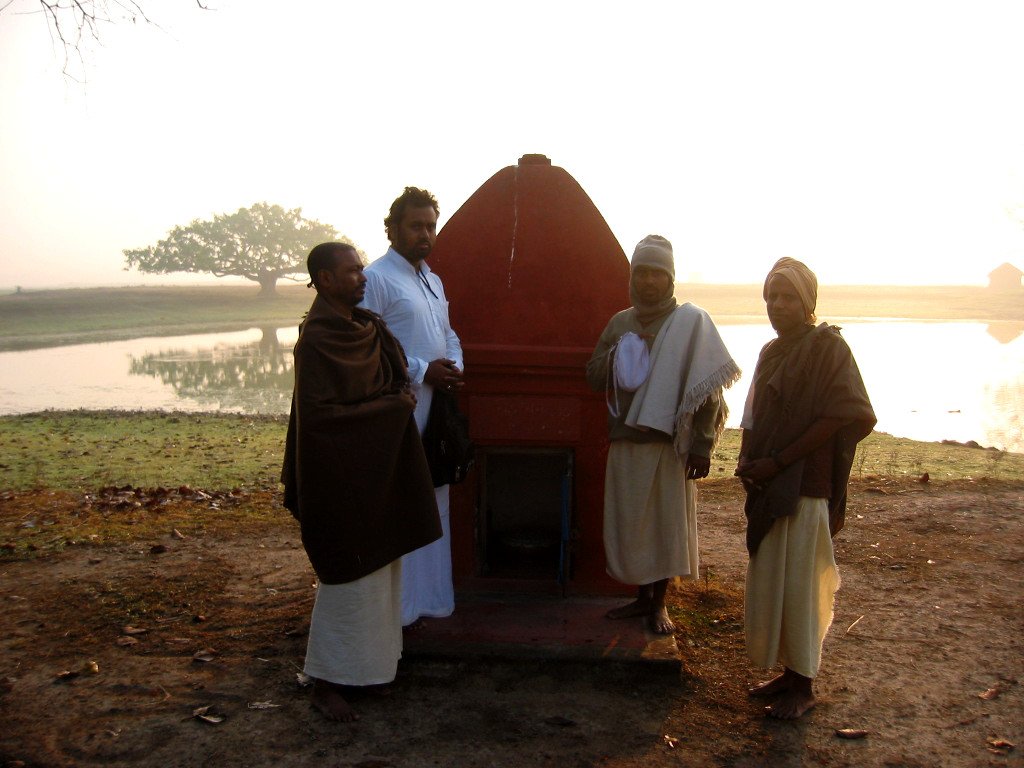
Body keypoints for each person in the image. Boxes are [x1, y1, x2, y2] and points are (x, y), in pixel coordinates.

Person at [281, 242, 442, 722]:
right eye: (351, 272)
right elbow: (321, 416)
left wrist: (395, 399)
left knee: (380, 570)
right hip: (339, 476)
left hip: (379, 467)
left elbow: (396, 380)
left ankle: (369, 673)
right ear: (325, 280)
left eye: (360, 270)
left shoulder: (367, 327)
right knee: (347, 575)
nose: (362, 277)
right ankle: (326, 681)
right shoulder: (318, 339)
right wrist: (394, 407)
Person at [736, 257, 875, 720]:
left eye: (788, 296)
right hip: (772, 481)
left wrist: (780, 460)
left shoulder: (828, 347)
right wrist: (750, 463)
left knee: (801, 581)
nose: (777, 305)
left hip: (807, 483)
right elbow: (754, 414)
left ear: (809, 302)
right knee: (775, 576)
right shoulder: (770, 352)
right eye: (772, 296)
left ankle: (805, 683)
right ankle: (789, 673)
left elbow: (841, 414)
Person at [586, 235, 740, 634]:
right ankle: (640, 600)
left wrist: (703, 445)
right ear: (633, 277)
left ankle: (659, 606)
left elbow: (708, 389)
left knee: (664, 528)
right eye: (643, 273)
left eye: (658, 274)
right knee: (633, 525)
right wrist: (620, 352)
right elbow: (592, 377)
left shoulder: (689, 323)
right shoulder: (620, 323)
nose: (650, 282)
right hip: (626, 441)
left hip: (670, 446)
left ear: (671, 280)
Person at [362, 187, 464, 628]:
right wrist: (425, 370)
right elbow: (369, 348)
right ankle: (397, 614)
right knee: (404, 503)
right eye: (416, 226)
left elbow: (448, 333)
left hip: (436, 408)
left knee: (434, 501)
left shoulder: (432, 279)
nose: (425, 234)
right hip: (399, 410)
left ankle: (429, 602)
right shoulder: (376, 278)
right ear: (393, 229)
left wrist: (454, 365)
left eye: (430, 226)